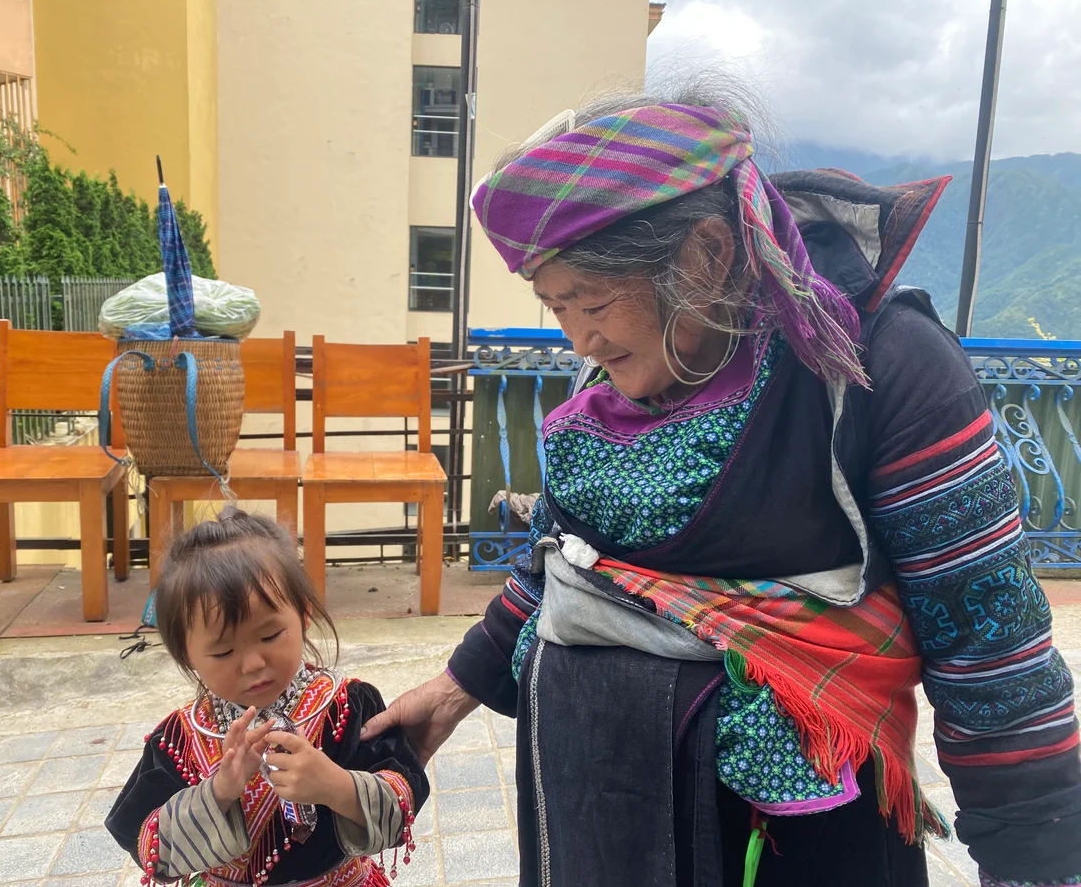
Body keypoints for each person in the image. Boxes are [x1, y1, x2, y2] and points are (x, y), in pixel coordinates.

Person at [361, 82, 1081, 886]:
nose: (581, 339)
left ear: (705, 253)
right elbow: (561, 561)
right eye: (555, 307)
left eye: (593, 302)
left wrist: (1035, 865)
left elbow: (994, 650)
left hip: (790, 844)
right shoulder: (606, 399)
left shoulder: (881, 368)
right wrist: (455, 689)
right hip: (595, 817)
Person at [107, 510, 428, 887]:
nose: (253, 663)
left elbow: (403, 795)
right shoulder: (179, 739)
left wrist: (336, 786)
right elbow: (144, 843)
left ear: (303, 614)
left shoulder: (346, 706)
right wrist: (218, 792)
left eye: (271, 635)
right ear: (186, 655)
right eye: (224, 652)